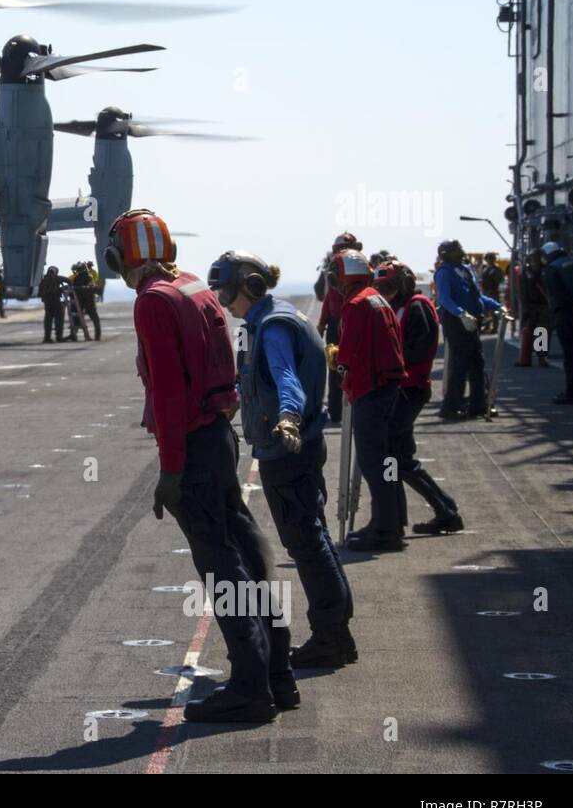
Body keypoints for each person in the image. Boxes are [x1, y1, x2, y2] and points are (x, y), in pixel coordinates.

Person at [114, 210, 292, 722]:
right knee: (247, 553)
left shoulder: (152, 302)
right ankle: (277, 674)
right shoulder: (193, 286)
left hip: (192, 444)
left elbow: (168, 392)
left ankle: (250, 687)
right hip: (218, 436)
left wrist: (169, 471)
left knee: (221, 566)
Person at [207, 251, 356, 670]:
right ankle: (338, 634)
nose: (223, 300)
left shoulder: (272, 327)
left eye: (226, 291)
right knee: (316, 538)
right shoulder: (275, 315)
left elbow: (286, 377)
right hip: (302, 447)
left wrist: (288, 416)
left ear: (249, 286)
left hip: (286, 450)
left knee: (306, 544)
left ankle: (330, 637)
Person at [374, 261, 464, 535]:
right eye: (381, 288)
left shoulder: (417, 306)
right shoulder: (399, 307)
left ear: (402, 284)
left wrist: (386, 361)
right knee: (395, 455)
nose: (385, 292)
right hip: (400, 388)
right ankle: (404, 514)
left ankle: (442, 509)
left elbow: (422, 349)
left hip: (410, 389)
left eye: (389, 287)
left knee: (396, 455)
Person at [330, 249, 408, 551]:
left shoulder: (356, 304)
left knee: (373, 462)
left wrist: (337, 362)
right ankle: (391, 521)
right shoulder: (376, 298)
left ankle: (385, 531)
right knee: (386, 460)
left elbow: (347, 354)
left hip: (371, 390)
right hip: (388, 387)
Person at [433, 239, 500, 419]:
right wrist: (461, 314)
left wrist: (497, 306)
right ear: (447, 254)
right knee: (459, 364)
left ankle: (478, 404)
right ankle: (451, 407)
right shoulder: (444, 273)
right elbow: (445, 299)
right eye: (456, 249)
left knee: (477, 364)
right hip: (457, 322)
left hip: (472, 322)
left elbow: (476, 296)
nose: (461, 250)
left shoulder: (465, 269)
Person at [316, 233, 362, 422]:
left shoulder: (360, 268)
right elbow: (328, 298)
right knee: (336, 367)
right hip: (338, 324)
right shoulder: (334, 269)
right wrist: (322, 322)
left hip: (353, 321)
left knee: (354, 366)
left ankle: (351, 408)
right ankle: (337, 410)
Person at [539, 241, 573, 404]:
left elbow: (556, 294)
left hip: (562, 314)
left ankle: (572, 393)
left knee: (570, 354)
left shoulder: (552, 268)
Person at [516, 251, 552, 368]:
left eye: (537, 259)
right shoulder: (525, 274)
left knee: (542, 332)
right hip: (531, 306)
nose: (535, 262)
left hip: (543, 306)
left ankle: (541, 357)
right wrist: (525, 309)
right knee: (528, 332)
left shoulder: (546, 272)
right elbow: (522, 293)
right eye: (533, 260)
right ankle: (525, 357)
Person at [72, 262, 101, 341]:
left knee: (78, 317)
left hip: (82, 300)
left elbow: (90, 287)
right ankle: (97, 335)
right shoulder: (88, 277)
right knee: (94, 318)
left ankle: (73, 334)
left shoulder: (81, 278)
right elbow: (92, 287)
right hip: (87, 300)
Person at [38, 266, 67, 343]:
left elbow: (39, 292)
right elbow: (68, 280)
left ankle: (47, 337)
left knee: (48, 320)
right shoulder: (57, 278)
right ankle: (59, 337)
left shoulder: (43, 280)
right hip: (56, 302)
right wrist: (62, 289)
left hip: (47, 303)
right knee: (59, 319)